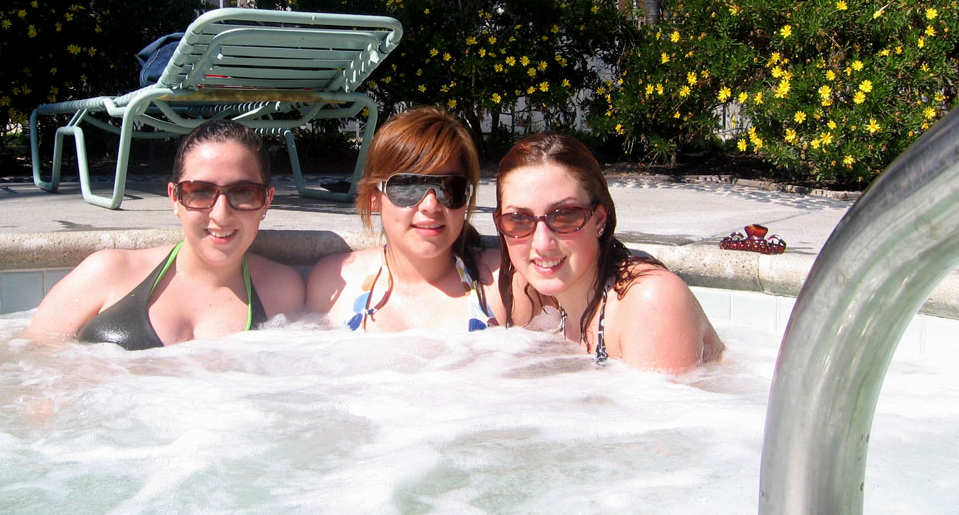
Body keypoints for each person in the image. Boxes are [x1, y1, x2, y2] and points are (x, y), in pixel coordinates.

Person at [22, 120, 305, 349]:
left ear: (266, 201)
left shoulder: (281, 289)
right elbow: (31, 360)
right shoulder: (108, 272)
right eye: (200, 191)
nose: (220, 214)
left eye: (243, 192)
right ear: (174, 198)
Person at [493, 132, 723, 373]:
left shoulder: (651, 301)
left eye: (565, 216)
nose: (542, 243)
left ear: (599, 219)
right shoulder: (541, 303)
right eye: (518, 219)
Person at [306, 107, 498, 332]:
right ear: (374, 198)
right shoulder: (332, 282)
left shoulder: (501, 284)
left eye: (449, 187)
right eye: (407, 186)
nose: (430, 205)